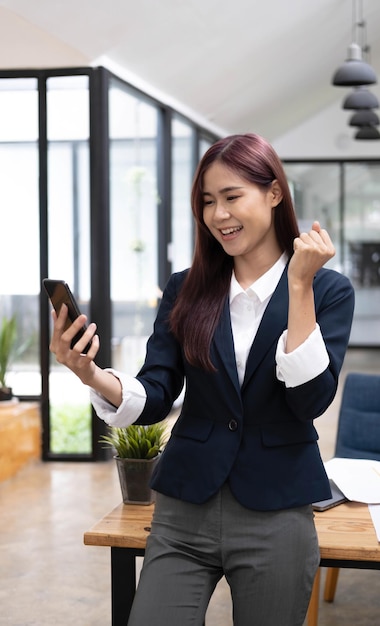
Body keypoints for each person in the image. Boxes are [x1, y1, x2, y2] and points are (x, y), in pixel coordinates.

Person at [50, 133, 355, 626]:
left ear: (274, 193)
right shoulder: (187, 288)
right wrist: (90, 373)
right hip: (184, 506)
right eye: (208, 202)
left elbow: (309, 402)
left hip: (276, 509)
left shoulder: (328, 290)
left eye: (232, 197)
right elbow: (155, 393)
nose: (218, 215)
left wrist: (300, 286)